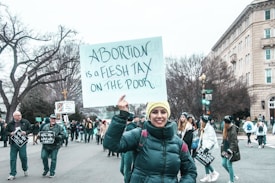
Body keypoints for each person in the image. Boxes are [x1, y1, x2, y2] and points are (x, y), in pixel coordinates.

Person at [103, 95, 197, 183]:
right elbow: (111, 144)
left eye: (163, 112)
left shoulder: (179, 144)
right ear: (149, 115)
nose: (159, 116)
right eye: (155, 112)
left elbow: (190, 172)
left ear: (167, 115)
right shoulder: (139, 135)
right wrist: (123, 115)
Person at [5, 111, 32, 180]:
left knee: (23, 157)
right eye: (18, 115)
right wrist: (10, 133)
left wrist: (25, 132)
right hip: (13, 143)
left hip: (22, 143)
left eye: (20, 115)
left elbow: (30, 129)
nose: (19, 116)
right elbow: (5, 131)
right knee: (12, 158)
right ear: (14, 116)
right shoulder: (10, 123)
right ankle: (12, 173)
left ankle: (25, 168)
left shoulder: (25, 122)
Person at [199, 115, 219, 182]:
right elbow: (202, 138)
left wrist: (207, 148)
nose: (200, 121)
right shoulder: (204, 127)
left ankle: (214, 172)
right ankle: (208, 175)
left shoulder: (209, 128)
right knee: (205, 161)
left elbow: (212, 140)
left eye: (201, 120)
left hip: (208, 147)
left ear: (204, 121)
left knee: (206, 161)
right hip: (204, 146)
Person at [221, 115, 240, 183]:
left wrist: (230, 150)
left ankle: (232, 180)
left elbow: (234, 142)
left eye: (225, 122)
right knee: (223, 163)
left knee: (229, 164)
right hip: (226, 148)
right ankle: (233, 175)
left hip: (231, 149)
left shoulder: (233, 129)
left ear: (227, 123)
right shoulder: (226, 128)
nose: (223, 123)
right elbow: (225, 139)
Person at [120, 114, 137, 183]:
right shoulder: (126, 126)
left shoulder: (131, 127)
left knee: (126, 170)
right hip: (125, 149)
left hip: (129, 150)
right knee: (122, 169)